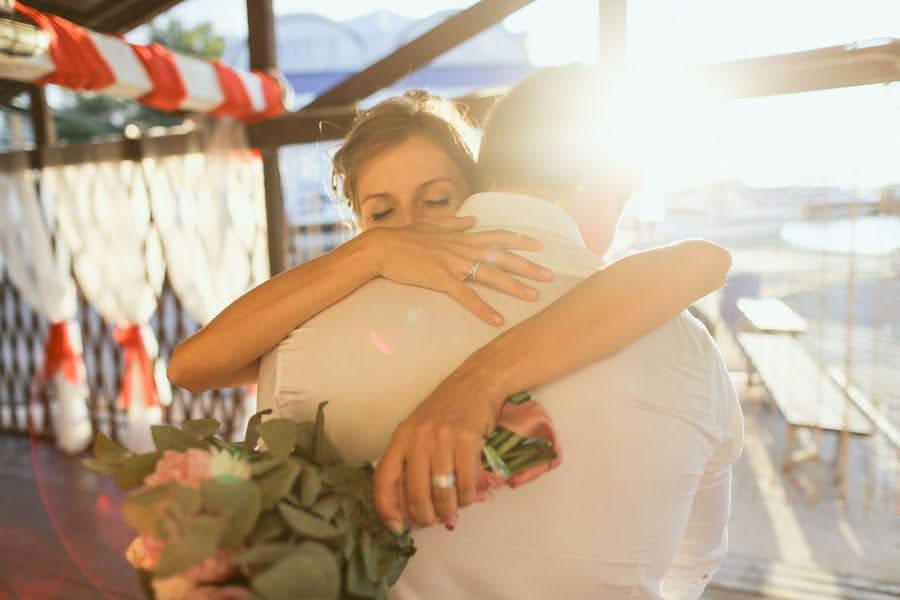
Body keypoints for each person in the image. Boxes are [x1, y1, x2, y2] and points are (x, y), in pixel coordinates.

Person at [231, 70, 742, 598]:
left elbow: (280, 541)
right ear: (603, 186)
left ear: (484, 171)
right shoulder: (687, 348)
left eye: (432, 198)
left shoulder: (301, 337)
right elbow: (693, 564)